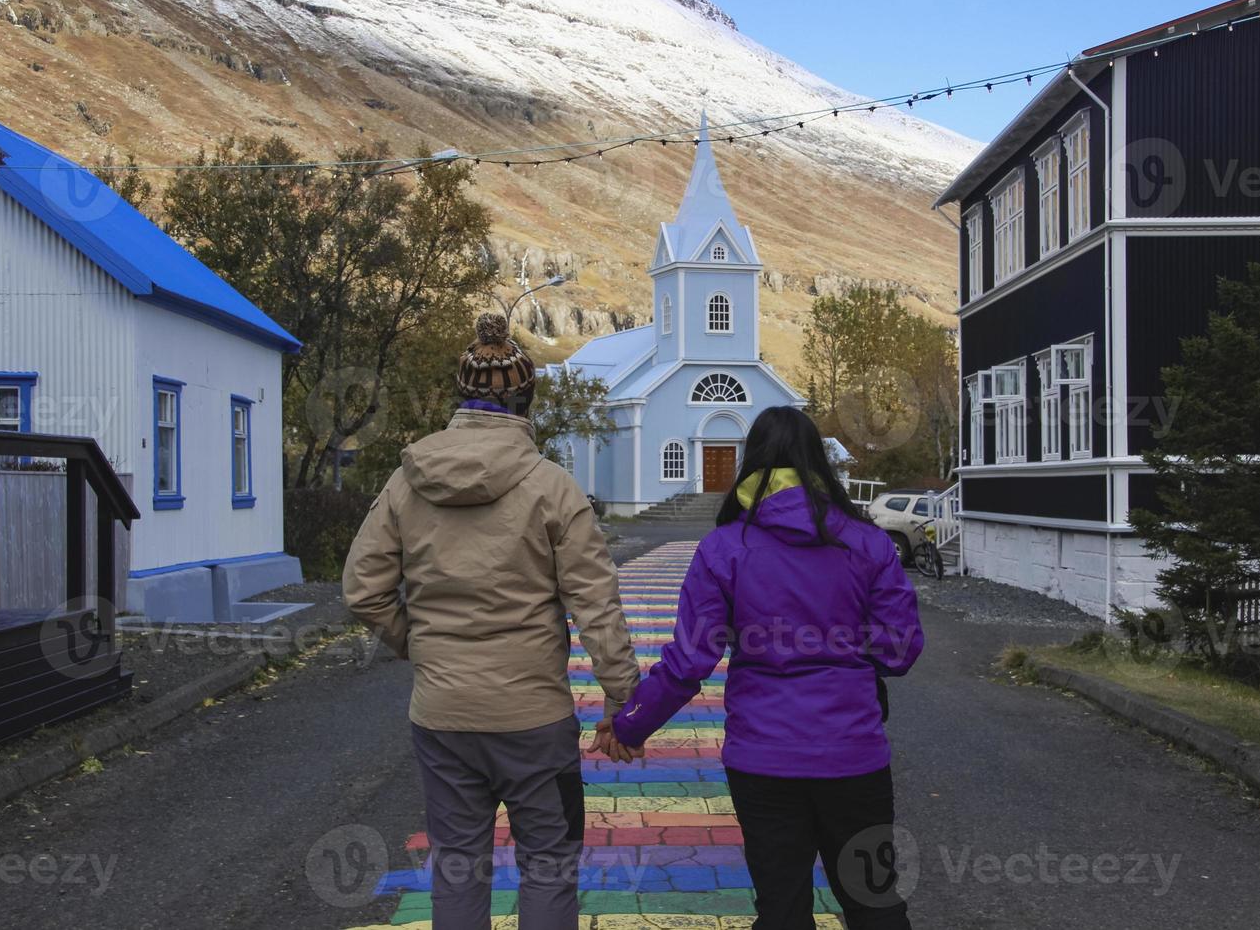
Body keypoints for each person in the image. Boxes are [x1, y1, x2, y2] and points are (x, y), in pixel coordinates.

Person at [343, 312, 640, 930]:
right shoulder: (553, 487)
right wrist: (621, 698)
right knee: (550, 865)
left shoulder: (407, 482)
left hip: (443, 717)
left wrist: (421, 647)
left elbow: (363, 592)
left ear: (460, 396)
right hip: (535, 719)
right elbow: (595, 602)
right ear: (527, 398)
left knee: (457, 864)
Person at [598, 406, 925, 929]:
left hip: (764, 759)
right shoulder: (867, 543)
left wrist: (630, 722)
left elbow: (689, 661)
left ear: (752, 464)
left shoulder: (725, 547)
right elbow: (900, 650)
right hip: (853, 756)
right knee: (874, 901)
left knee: (781, 906)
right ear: (818, 463)